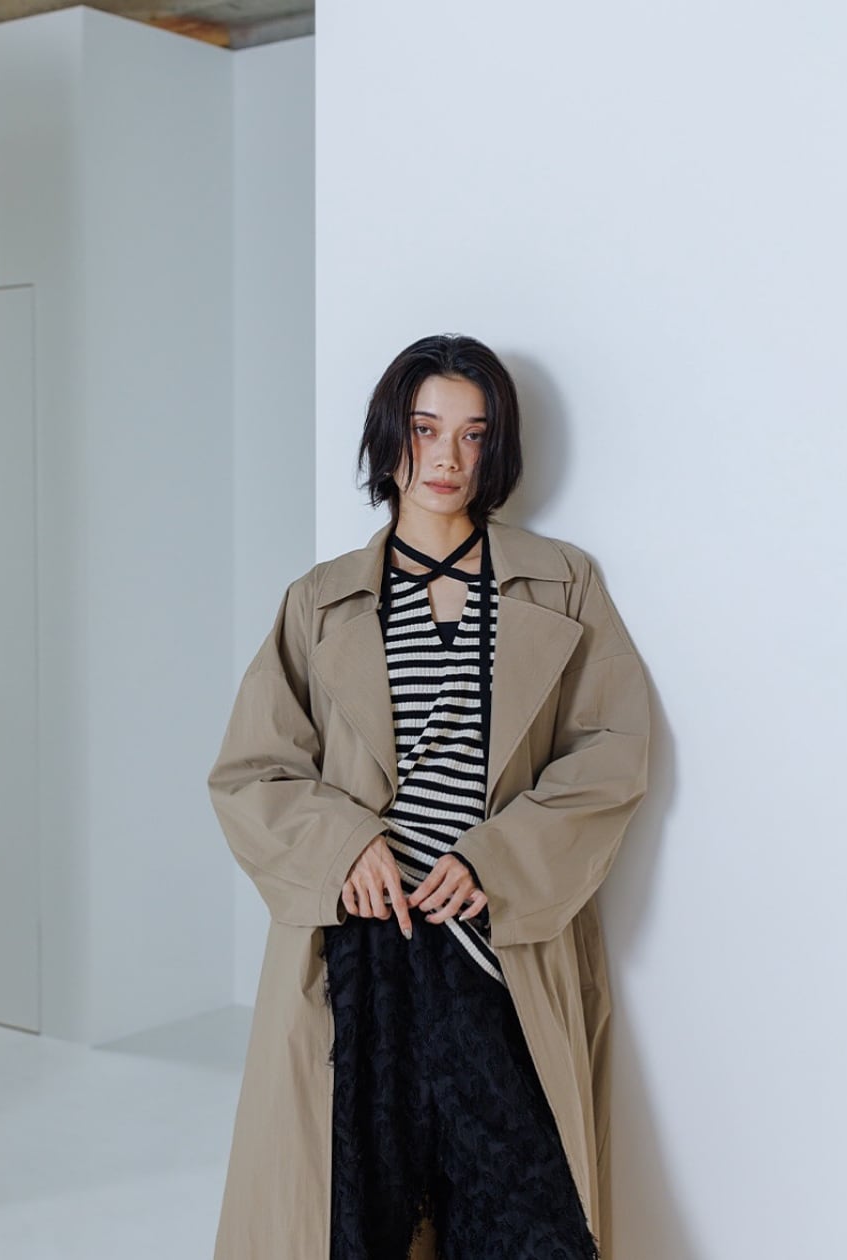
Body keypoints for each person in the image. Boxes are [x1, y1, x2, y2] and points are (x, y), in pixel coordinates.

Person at [207, 334, 651, 1260]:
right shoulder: (319, 601)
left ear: (498, 448)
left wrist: (497, 859)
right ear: (390, 436)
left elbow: (612, 752)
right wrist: (343, 847)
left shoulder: (561, 583)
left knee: (528, 1222)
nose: (448, 457)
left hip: (497, 951)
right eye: (425, 428)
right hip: (361, 959)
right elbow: (254, 770)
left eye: (473, 434)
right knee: (352, 1221)